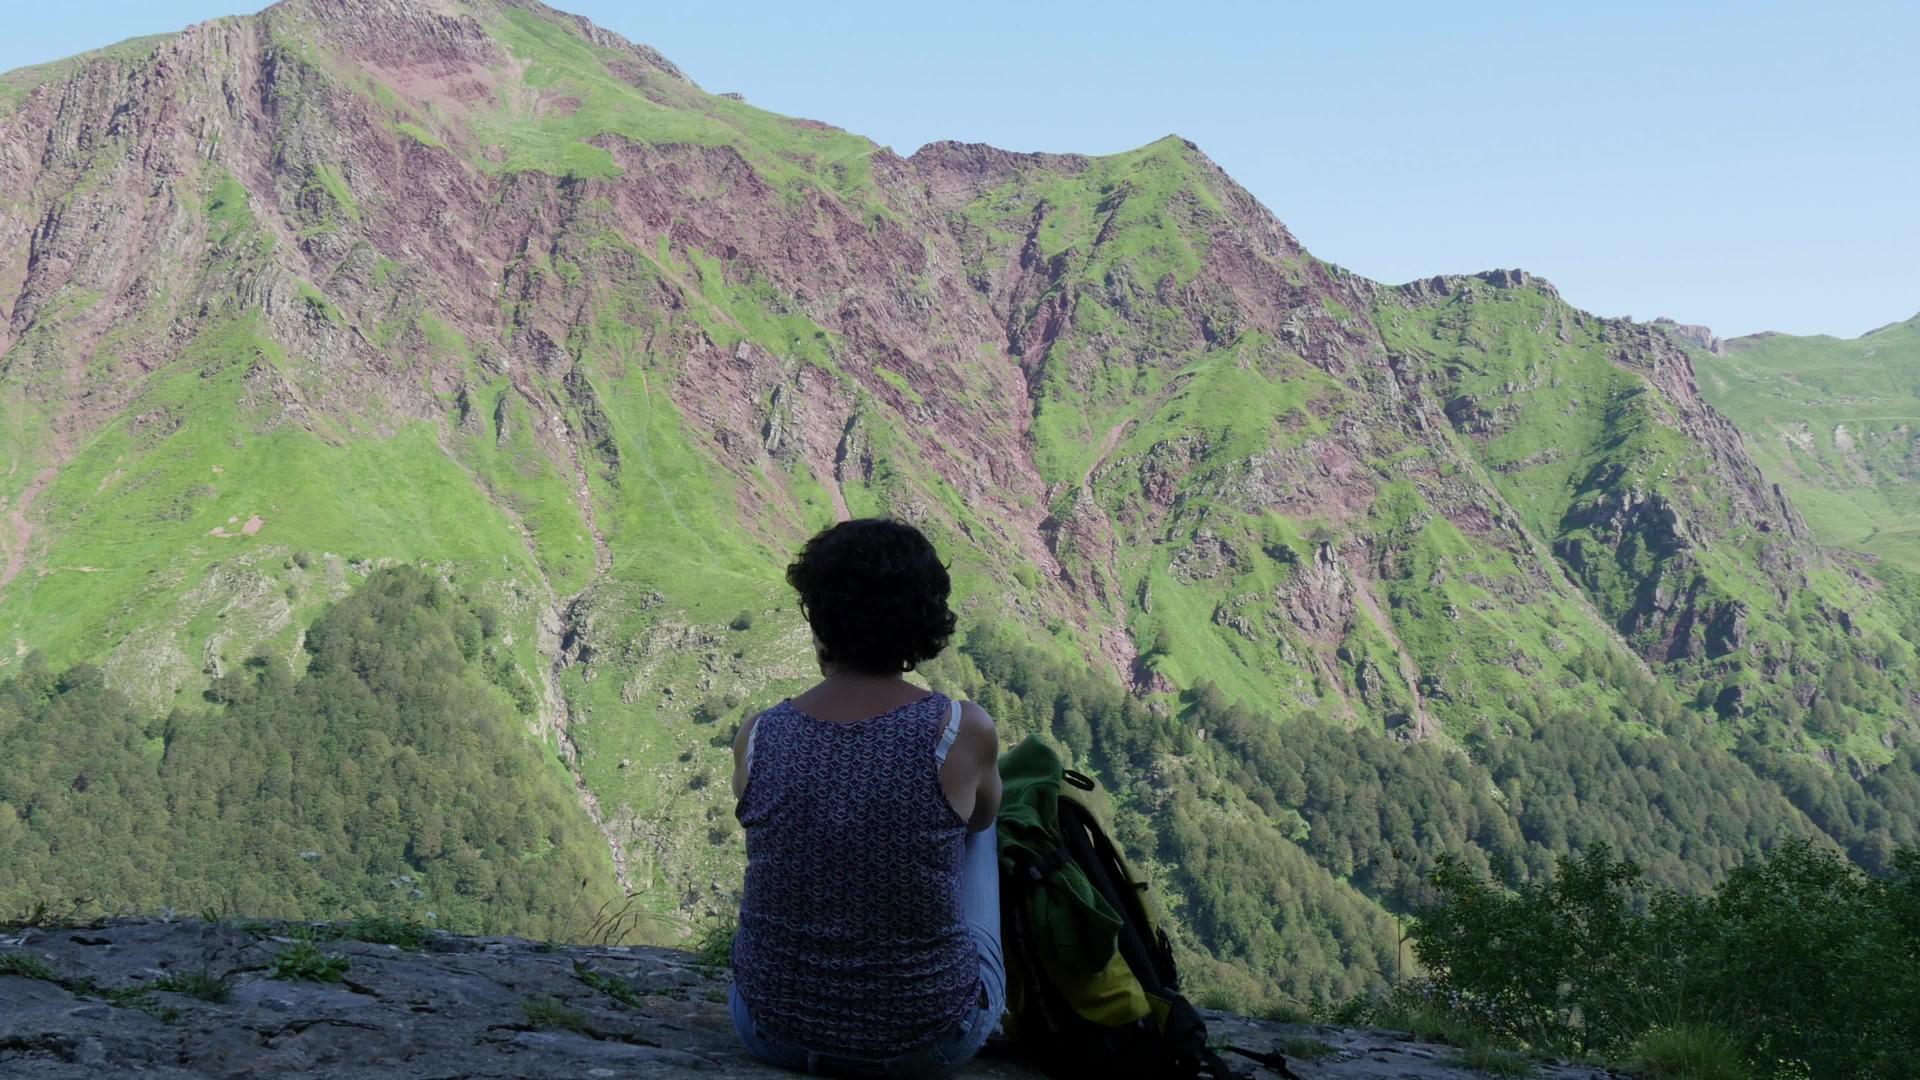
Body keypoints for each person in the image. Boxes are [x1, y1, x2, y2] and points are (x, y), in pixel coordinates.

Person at [729, 518, 1005, 1078]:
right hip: (926, 1043)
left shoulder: (760, 733)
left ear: (819, 614)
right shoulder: (959, 728)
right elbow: (980, 821)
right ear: (925, 619)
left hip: (769, 1029)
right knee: (983, 830)